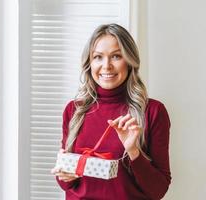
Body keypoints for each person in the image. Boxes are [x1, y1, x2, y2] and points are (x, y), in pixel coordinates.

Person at [51, 23, 171, 200]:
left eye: (116, 56)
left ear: (129, 61)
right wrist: (65, 172)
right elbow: (65, 184)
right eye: (98, 57)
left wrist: (133, 151)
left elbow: (158, 190)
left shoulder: (153, 111)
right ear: (89, 63)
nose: (106, 66)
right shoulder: (74, 110)